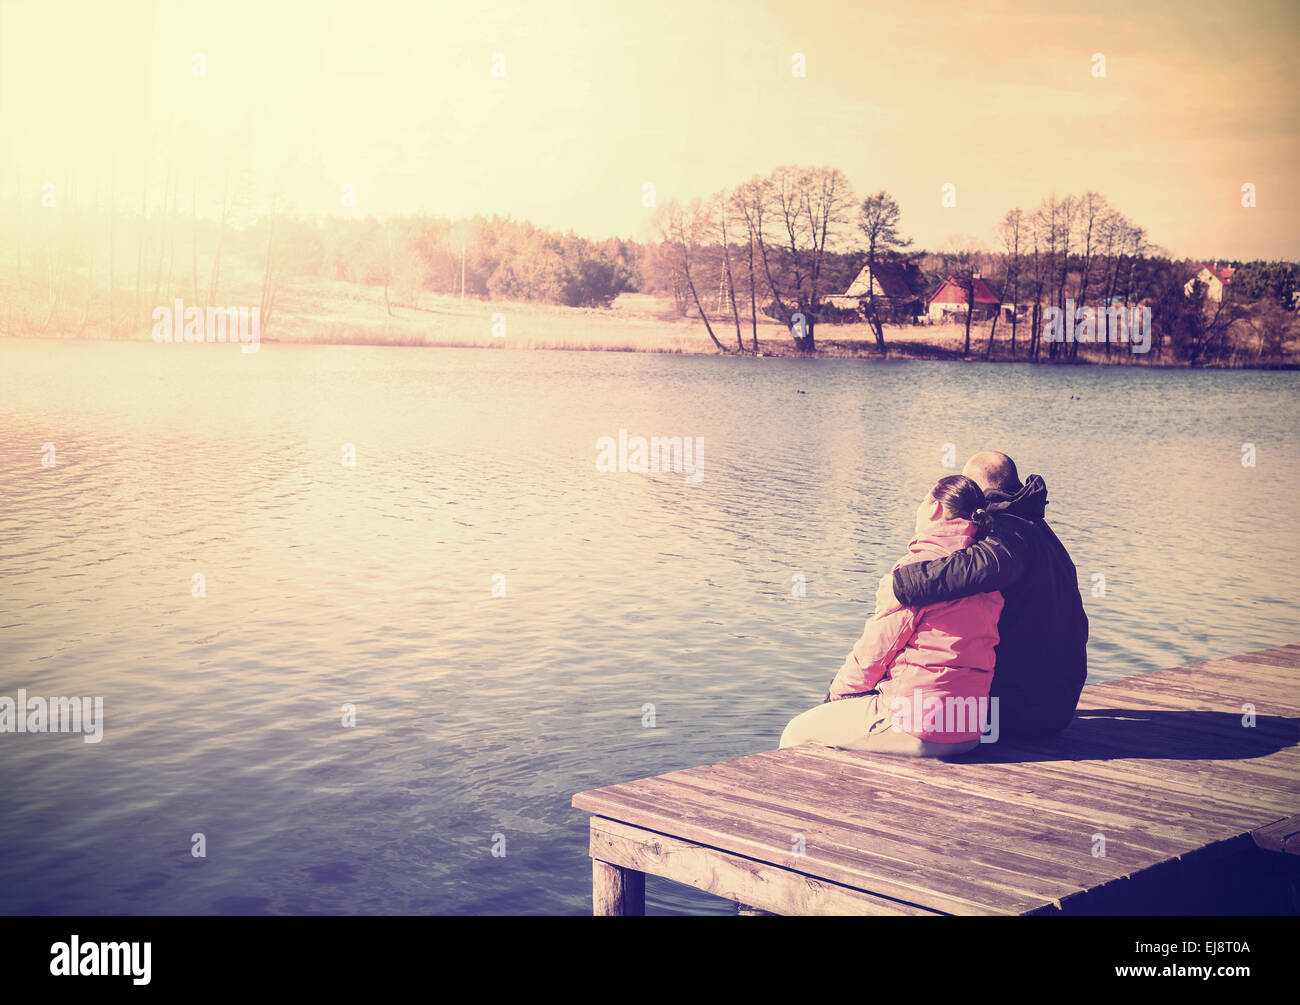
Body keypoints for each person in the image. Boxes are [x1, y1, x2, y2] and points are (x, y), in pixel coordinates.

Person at [779, 475, 1003, 757]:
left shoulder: (918, 571)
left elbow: (875, 650)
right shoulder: (984, 574)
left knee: (798, 731)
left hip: (920, 725)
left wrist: (836, 697)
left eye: (922, 502)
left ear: (934, 508)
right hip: (969, 728)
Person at [875, 451, 1088, 740]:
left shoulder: (1008, 530)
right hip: (1055, 706)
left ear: (976, 488)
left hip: (1018, 715)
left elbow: (980, 565)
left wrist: (901, 584)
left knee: (898, 707)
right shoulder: (1039, 531)